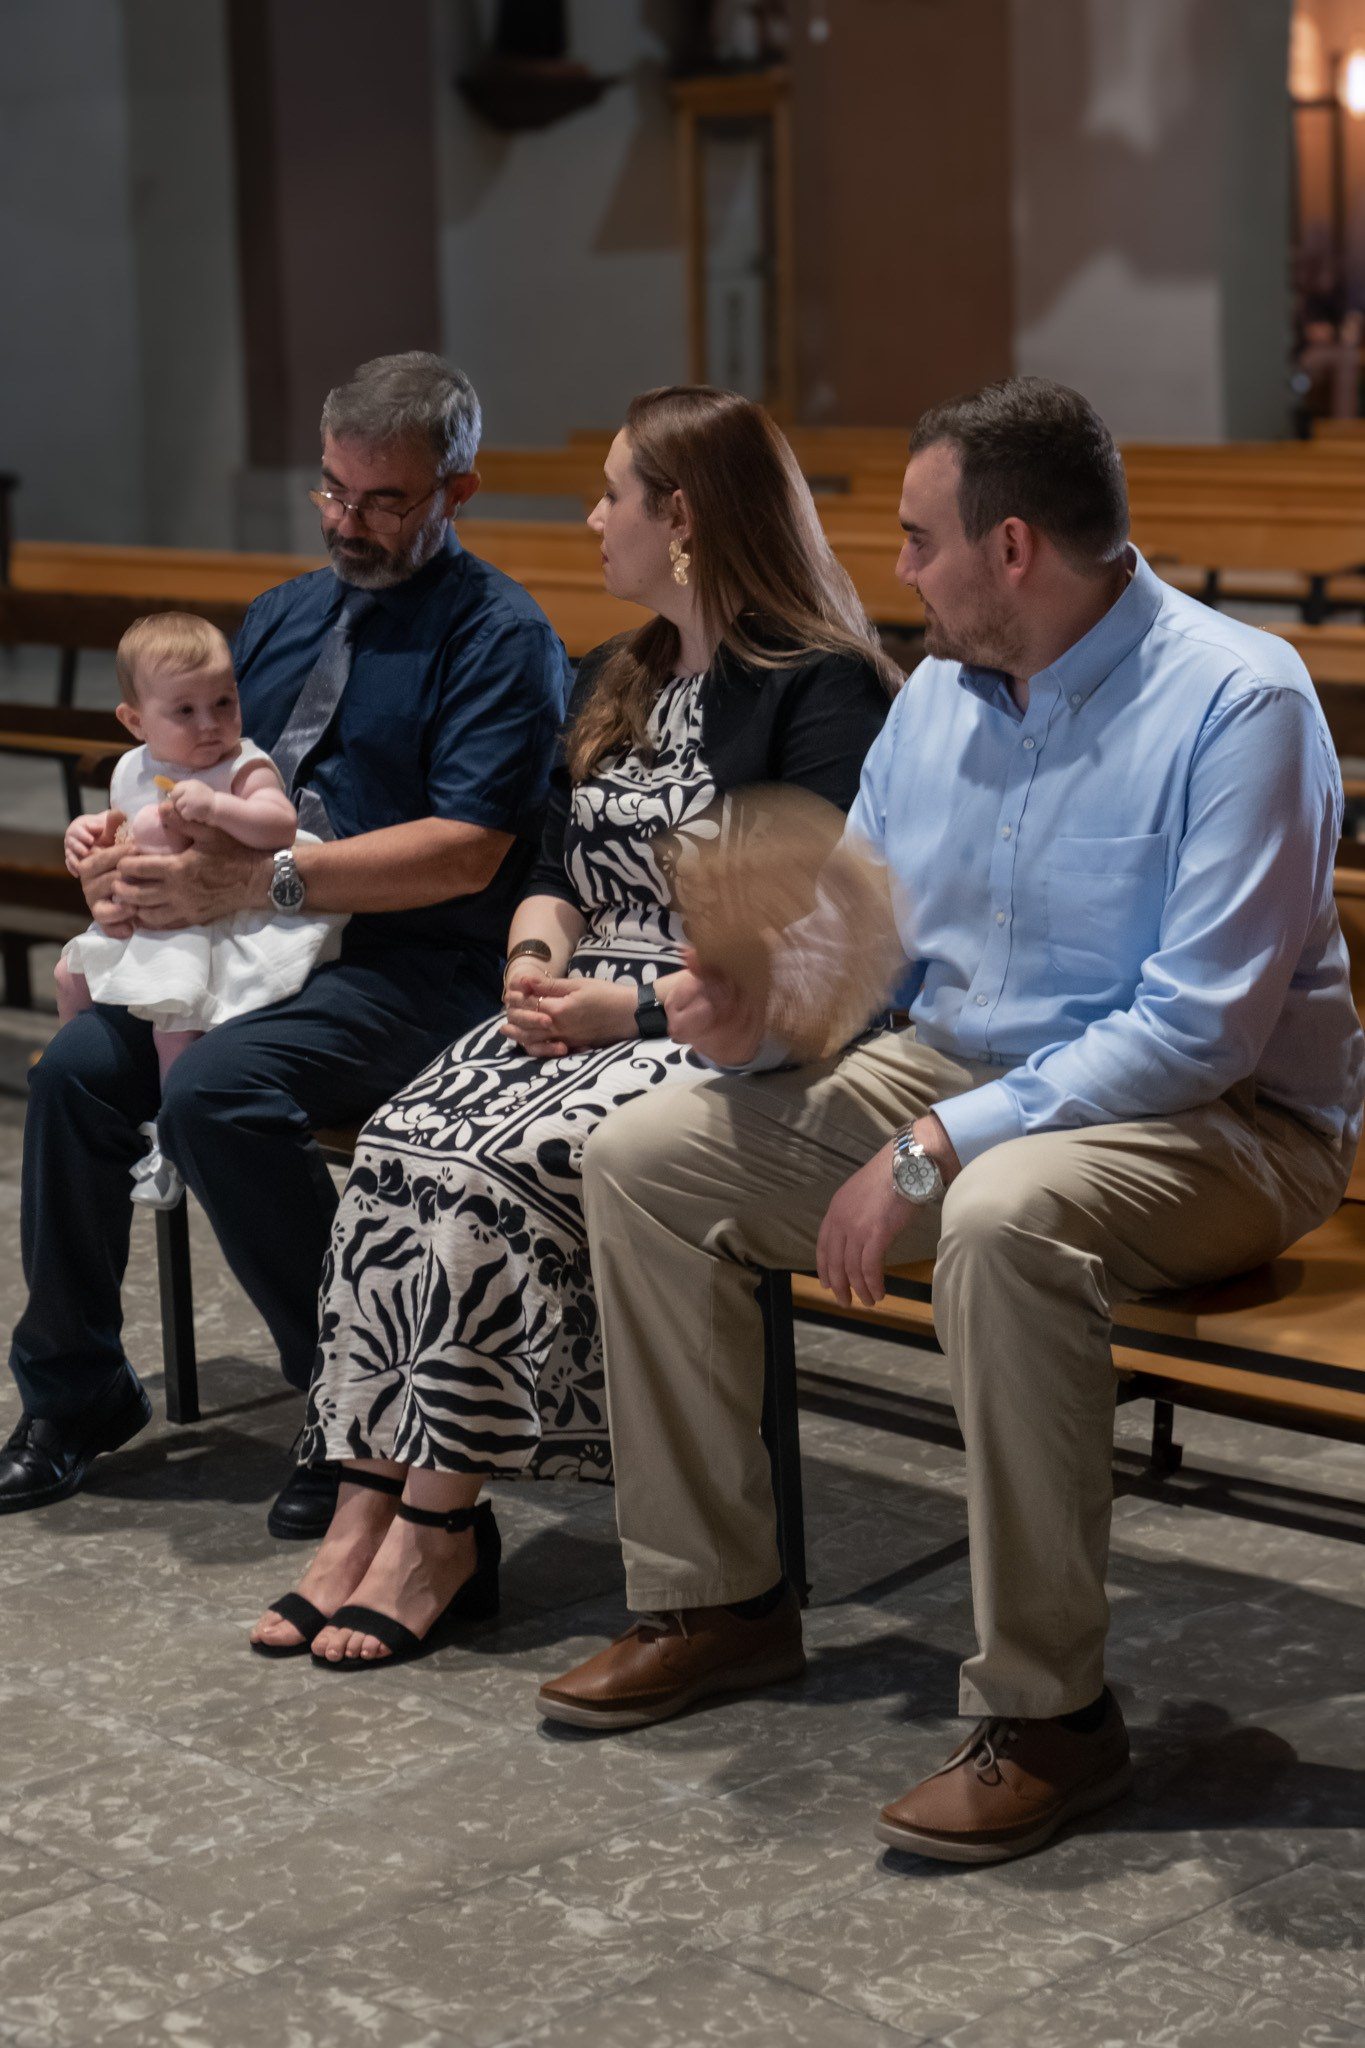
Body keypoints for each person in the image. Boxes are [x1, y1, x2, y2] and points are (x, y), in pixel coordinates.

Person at [538, 376, 1365, 1865]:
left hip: (1225, 1124)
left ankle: (1050, 1718)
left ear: (1013, 548)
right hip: (961, 1073)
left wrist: (939, 1143)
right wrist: (751, 1012)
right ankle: (718, 1600)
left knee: (998, 1216)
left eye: (921, 542)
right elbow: (859, 945)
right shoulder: (935, 697)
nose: (898, 571)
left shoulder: (1238, 700)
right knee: (649, 1156)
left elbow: (1199, 1028)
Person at [249, 384, 898, 1664]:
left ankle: (439, 1525)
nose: (593, 519)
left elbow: (809, 929)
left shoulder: (821, 688)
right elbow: (553, 859)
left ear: (686, 518)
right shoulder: (619, 670)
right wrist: (536, 955)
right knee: (402, 1140)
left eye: (613, 496)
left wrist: (631, 1004)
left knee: (493, 1165)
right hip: (578, 993)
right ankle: (364, 1501)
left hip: (719, 1021)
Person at [0, 352, 570, 1533]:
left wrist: (261, 878)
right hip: (243, 948)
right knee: (73, 1075)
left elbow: (467, 850)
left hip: (415, 963)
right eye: (332, 490)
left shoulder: (500, 635)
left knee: (217, 1091)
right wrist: (124, 859)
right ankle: (76, 1389)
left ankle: (354, 1411)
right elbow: (189, 771)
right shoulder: (282, 614)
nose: (346, 523)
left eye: (383, 500)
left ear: (458, 490)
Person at [56, 612, 342, 1210]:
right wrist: (86, 831)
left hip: (215, 919)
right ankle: (100, 1089)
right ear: (136, 722)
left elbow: (279, 824)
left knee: (175, 1027)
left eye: (223, 702)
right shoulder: (134, 767)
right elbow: (120, 825)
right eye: (184, 711)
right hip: (152, 915)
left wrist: (217, 808)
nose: (210, 724)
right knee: (67, 975)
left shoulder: (241, 766)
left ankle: (170, 1142)